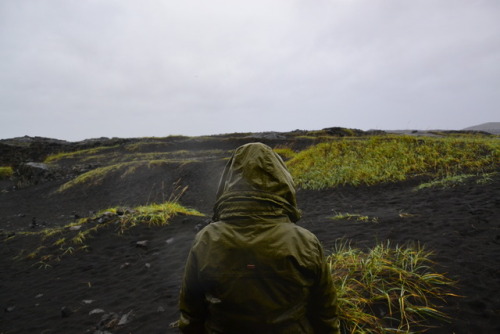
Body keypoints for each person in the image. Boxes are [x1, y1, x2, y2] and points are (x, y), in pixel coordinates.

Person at [179, 142, 339, 333]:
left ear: (229, 182)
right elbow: (325, 312)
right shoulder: (305, 241)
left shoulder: (206, 239)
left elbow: (191, 313)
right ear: (282, 181)